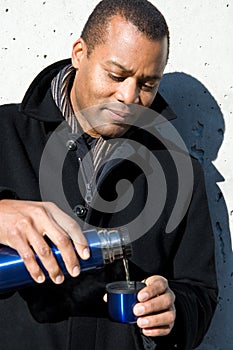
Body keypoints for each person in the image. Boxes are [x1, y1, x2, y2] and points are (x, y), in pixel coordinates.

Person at [0, 0, 218, 349]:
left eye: (147, 84)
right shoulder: (4, 131)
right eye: (116, 75)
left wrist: (175, 311)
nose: (129, 97)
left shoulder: (181, 174)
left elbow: (201, 294)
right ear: (79, 53)